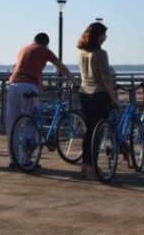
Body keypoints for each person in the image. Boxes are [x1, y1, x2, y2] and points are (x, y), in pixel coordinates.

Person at [6, 33, 78, 167]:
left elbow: (24, 70)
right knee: (29, 123)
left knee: (12, 124)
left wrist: (42, 87)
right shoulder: (44, 50)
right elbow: (60, 66)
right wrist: (73, 81)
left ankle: (13, 159)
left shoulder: (24, 49)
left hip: (12, 86)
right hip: (28, 87)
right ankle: (26, 160)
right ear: (47, 44)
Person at [77, 22, 118, 178]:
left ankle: (84, 166)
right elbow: (105, 79)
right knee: (98, 131)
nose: (105, 39)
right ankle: (93, 167)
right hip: (99, 94)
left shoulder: (81, 52)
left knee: (89, 131)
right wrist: (114, 99)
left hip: (84, 93)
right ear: (98, 36)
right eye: (104, 35)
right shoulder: (101, 53)